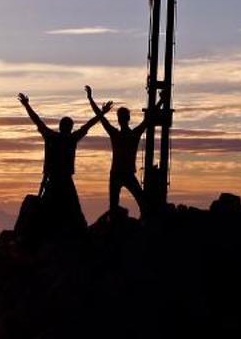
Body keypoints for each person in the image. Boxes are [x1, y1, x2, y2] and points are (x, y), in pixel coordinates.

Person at [18, 91, 92, 231]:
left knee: (47, 210)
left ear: (60, 127)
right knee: (74, 212)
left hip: (52, 180)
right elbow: (88, 125)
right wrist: (102, 113)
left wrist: (27, 105)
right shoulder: (71, 138)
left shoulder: (51, 136)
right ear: (70, 128)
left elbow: (37, 120)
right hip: (63, 180)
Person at [84, 83, 158, 217]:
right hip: (126, 173)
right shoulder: (133, 134)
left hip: (119, 173)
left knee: (115, 206)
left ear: (119, 120)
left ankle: (118, 229)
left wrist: (91, 99)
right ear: (128, 118)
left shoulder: (117, 134)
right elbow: (149, 118)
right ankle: (143, 224)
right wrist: (161, 100)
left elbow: (101, 118)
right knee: (142, 203)